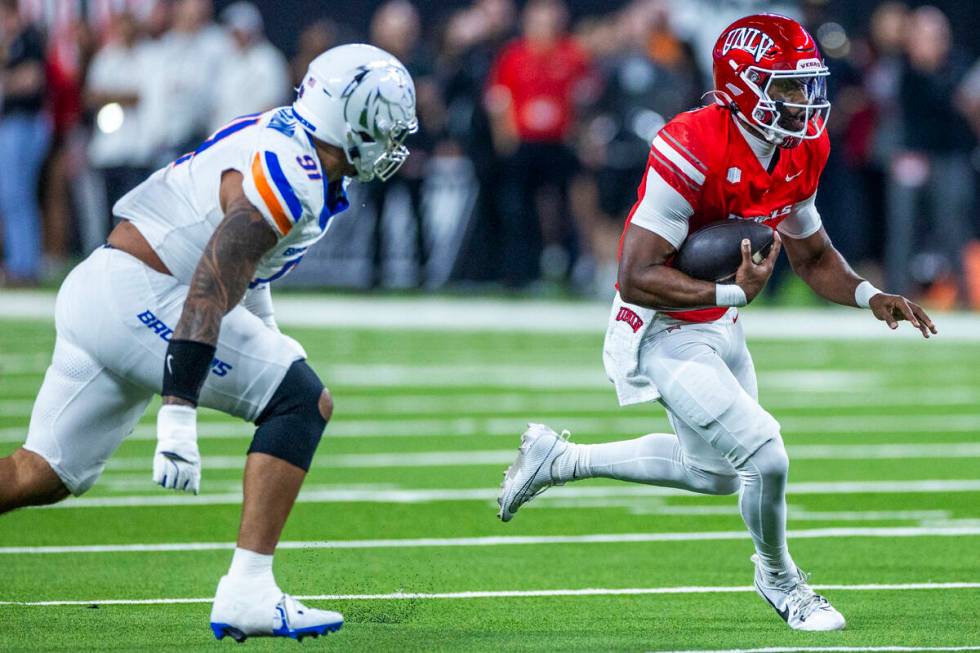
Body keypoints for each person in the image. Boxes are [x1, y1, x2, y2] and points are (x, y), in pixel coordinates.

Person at [497, 14, 936, 632]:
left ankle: (556, 459)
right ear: (741, 85)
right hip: (662, 323)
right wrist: (729, 289)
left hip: (720, 315)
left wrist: (869, 295)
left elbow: (810, 252)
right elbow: (634, 273)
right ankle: (780, 578)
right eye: (784, 87)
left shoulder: (801, 145)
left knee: (712, 473)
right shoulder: (692, 142)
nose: (802, 101)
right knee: (766, 455)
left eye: (805, 84)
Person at [0, 44, 418, 641]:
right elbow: (211, 281)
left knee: (37, 473)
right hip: (143, 293)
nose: (392, 138)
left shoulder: (293, 147)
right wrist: (178, 415)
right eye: (384, 122)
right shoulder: (293, 178)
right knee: (301, 399)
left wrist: (266, 337)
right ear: (347, 116)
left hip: (105, 286)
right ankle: (248, 590)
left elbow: (246, 269)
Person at [0, 0, 50, 285]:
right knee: (11, 197)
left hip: (25, 125)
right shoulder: (9, 42)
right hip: (11, 125)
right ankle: (18, 260)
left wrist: (6, 80)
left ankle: (25, 265)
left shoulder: (28, 37)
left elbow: (33, 80)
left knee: (18, 196)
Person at [209, 2, 290, 132]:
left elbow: (271, 105)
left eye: (238, 32)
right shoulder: (227, 59)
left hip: (251, 138)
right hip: (221, 137)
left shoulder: (268, 60)